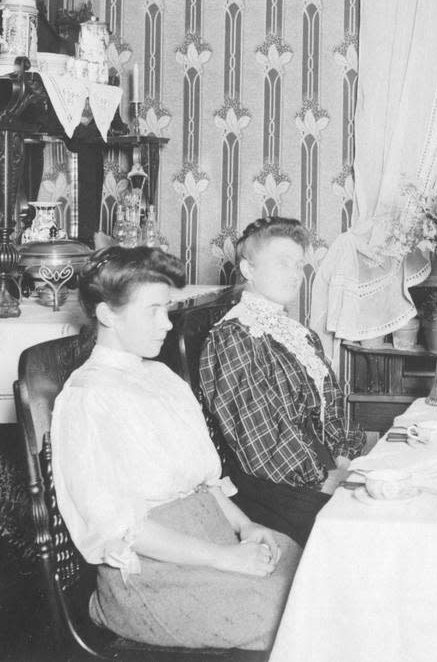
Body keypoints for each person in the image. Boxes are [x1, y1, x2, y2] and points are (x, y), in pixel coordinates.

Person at [51, 246, 298, 650]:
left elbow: (203, 484)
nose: (166, 324)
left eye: (167, 308)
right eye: (152, 310)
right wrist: (225, 559)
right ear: (107, 314)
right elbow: (120, 530)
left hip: (211, 540)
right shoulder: (88, 398)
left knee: (316, 574)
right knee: (296, 614)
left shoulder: (162, 377)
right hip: (150, 574)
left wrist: (245, 526)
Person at [199, 217, 365, 545]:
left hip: (317, 471)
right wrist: (324, 480)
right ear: (248, 270)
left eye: (299, 264)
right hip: (273, 490)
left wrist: (345, 458)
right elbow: (259, 441)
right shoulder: (236, 337)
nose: (294, 274)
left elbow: (329, 413)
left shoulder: (297, 334)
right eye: (282, 263)